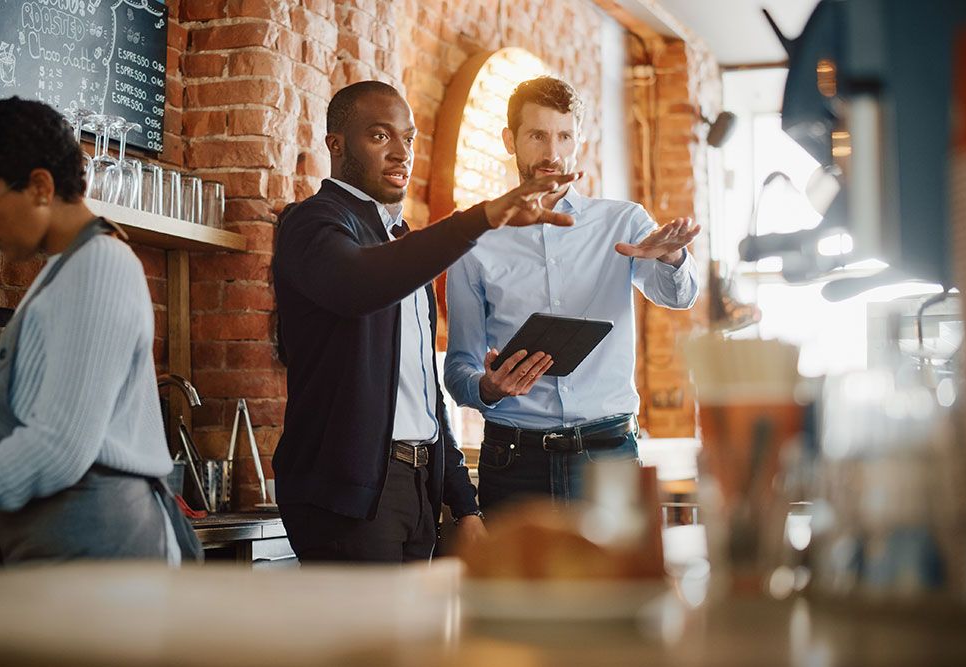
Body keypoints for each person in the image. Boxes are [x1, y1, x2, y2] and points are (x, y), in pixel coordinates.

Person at [271, 80, 579, 563]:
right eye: (379, 136)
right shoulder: (312, 222)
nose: (400, 153)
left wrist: (463, 502)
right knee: (372, 641)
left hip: (417, 491)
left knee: (417, 640)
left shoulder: (399, 239)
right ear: (336, 144)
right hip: (348, 501)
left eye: (408, 139)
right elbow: (357, 284)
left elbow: (422, 391)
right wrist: (478, 219)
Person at [444, 77, 701, 511]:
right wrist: (487, 387)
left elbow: (680, 297)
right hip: (514, 461)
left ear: (578, 139)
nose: (552, 153)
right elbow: (459, 369)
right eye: (537, 136)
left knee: (616, 582)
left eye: (564, 136)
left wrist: (672, 258)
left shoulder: (623, 222)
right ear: (510, 140)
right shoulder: (476, 237)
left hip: (608, 455)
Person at [0, 97, 201, 564]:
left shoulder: (100, 264)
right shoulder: (63, 271)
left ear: (40, 186)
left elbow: (59, 447)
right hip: (68, 548)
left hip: (104, 547)